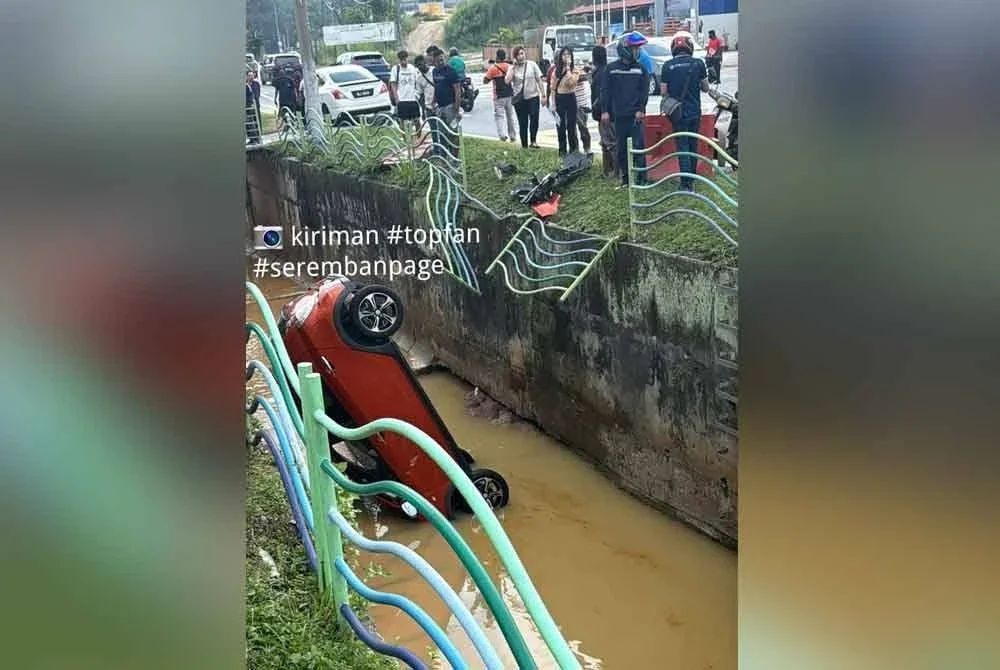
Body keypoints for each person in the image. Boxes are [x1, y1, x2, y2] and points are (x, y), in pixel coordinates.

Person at [600, 32, 650, 188]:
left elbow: (644, 92)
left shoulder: (641, 69)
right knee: (622, 149)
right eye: (635, 48)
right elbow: (605, 91)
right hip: (619, 116)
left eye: (638, 48)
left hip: (636, 116)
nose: (638, 51)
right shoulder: (611, 69)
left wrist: (641, 109)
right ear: (625, 49)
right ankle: (626, 179)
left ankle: (641, 179)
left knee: (639, 147)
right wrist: (604, 111)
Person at [661, 33, 709, 191]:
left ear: (673, 49)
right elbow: (706, 88)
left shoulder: (667, 66)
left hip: (677, 113)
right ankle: (692, 178)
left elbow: (663, 92)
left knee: (682, 147)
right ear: (690, 47)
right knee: (693, 144)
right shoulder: (698, 63)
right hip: (694, 111)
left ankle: (686, 184)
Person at [505, 46, 543, 149]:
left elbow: (539, 80)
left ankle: (533, 141)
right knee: (523, 122)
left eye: (522, 53)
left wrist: (543, 95)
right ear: (515, 57)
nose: (521, 56)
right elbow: (507, 81)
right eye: (518, 54)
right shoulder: (512, 68)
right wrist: (513, 67)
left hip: (533, 96)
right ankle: (524, 145)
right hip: (520, 99)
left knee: (534, 118)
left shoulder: (532, 64)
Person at [426, 46, 462, 156]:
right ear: (434, 61)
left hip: (450, 106)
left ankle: (455, 158)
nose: (440, 62)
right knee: (443, 133)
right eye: (438, 61)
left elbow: (457, 90)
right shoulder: (435, 72)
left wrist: (456, 106)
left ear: (444, 58)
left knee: (453, 132)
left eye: (442, 60)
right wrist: (433, 101)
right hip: (440, 107)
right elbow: (437, 87)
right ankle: (446, 156)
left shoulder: (451, 71)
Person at [548, 47, 581, 156]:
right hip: (559, 98)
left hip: (570, 97)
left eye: (568, 54)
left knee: (571, 126)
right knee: (560, 126)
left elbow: (571, 83)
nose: (566, 57)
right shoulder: (556, 71)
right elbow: (553, 88)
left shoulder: (575, 69)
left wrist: (568, 69)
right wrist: (553, 104)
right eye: (564, 54)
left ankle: (574, 150)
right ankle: (562, 150)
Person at [589, 45, 615, 175]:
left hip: (603, 113)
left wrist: (595, 106)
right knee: (605, 143)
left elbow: (601, 94)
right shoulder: (605, 70)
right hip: (604, 112)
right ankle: (606, 170)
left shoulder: (600, 73)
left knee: (609, 142)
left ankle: (615, 171)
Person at [484, 48, 516, 142]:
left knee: (499, 116)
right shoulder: (509, 67)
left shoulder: (493, 68)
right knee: (510, 116)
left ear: (497, 56)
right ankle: (512, 135)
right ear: (505, 57)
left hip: (498, 96)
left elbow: (485, 81)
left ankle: (502, 135)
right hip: (509, 95)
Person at [390, 49, 421, 145]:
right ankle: (406, 141)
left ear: (407, 58)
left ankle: (418, 139)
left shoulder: (412, 68)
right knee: (402, 121)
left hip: (413, 99)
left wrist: (417, 94)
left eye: (405, 59)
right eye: (401, 59)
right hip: (402, 99)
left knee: (417, 120)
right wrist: (396, 97)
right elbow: (393, 84)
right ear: (399, 60)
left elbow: (417, 82)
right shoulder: (396, 69)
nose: (403, 61)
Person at [574, 60, 593, 155]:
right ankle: (576, 150)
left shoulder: (580, 72)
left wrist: (589, 70)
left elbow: (585, 77)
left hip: (582, 104)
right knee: (574, 130)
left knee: (583, 128)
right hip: (573, 104)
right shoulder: (568, 72)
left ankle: (587, 148)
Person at [413, 54, 435, 119]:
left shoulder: (434, 70)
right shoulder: (419, 78)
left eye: (420, 64)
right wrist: (423, 112)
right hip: (428, 107)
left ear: (425, 62)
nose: (419, 67)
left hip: (439, 105)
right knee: (432, 125)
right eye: (417, 66)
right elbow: (421, 96)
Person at [245, 72, 261, 144]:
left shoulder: (256, 84)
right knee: (249, 123)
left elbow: (257, 94)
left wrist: (254, 102)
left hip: (255, 105)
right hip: (248, 107)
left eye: (252, 75)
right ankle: (252, 139)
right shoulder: (246, 85)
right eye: (249, 75)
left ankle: (257, 137)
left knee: (256, 121)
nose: (251, 77)